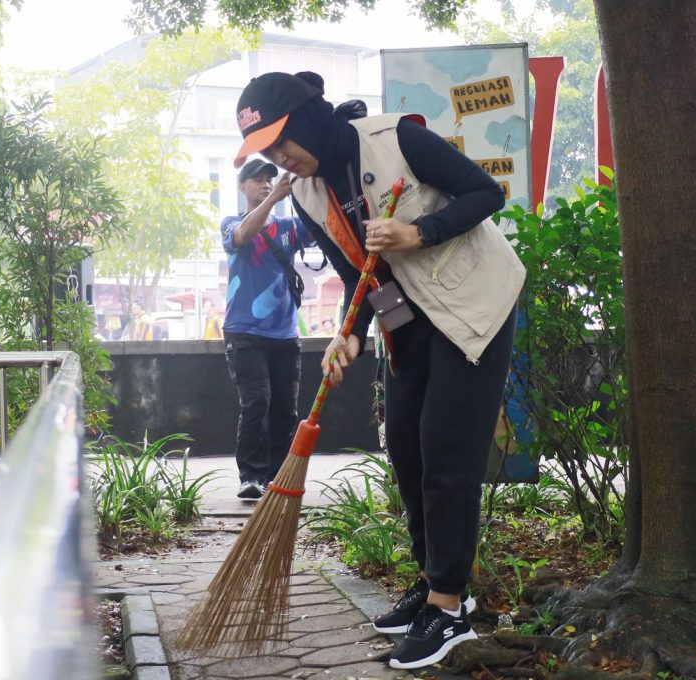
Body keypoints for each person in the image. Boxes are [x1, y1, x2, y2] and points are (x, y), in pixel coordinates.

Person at [232, 71, 525, 669]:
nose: (278, 156)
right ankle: (431, 580)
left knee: (446, 452)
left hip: (471, 306)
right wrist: (351, 334)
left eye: (281, 140)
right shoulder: (307, 192)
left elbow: (486, 194)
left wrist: (419, 231)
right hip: (407, 322)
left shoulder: (396, 140)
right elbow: (354, 273)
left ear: (309, 118)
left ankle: (450, 609)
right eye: (265, 149)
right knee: (408, 454)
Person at [221, 157, 315, 500]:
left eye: (269, 180)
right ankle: (251, 476)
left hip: (285, 333)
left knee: (285, 411)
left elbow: (325, 226)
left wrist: (307, 186)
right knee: (256, 402)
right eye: (257, 179)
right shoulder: (231, 222)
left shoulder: (289, 227)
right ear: (241, 186)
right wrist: (274, 198)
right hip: (244, 331)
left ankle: (278, 477)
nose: (264, 184)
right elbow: (243, 235)